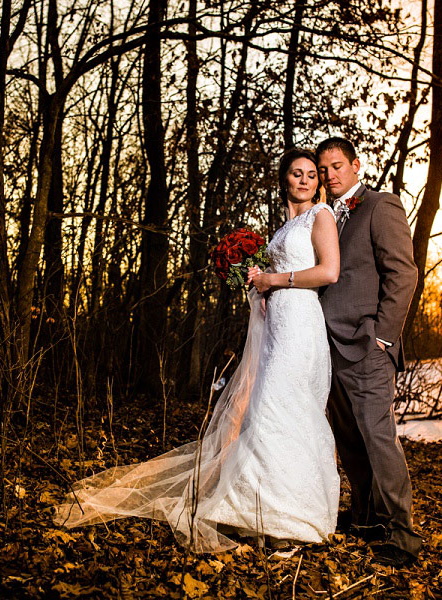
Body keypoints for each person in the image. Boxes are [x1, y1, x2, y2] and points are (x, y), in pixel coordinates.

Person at [52, 148, 341, 553]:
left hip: (301, 324)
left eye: (312, 174)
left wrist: (274, 279)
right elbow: (269, 277)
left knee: (284, 407)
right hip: (276, 323)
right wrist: (254, 278)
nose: (306, 180)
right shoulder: (282, 227)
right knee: (264, 410)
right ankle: (264, 512)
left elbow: (329, 271)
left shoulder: (320, 216)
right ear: (284, 180)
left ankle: (294, 522)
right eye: (297, 173)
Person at [316, 136, 423, 567]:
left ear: (356, 165)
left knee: (379, 438)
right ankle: (365, 516)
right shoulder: (325, 217)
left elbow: (404, 273)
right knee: (349, 439)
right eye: (324, 169)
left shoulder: (381, 206)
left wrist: (384, 337)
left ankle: (403, 533)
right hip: (328, 348)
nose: (330, 175)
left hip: (368, 346)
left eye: (337, 166)